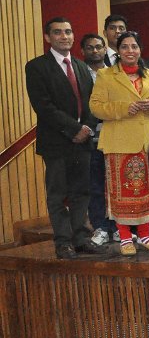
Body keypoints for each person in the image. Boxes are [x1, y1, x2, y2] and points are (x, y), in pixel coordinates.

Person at [25, 18, 103, 259]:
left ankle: (81, 238)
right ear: (48, 38)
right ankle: (63, 242)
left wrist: (87, 128)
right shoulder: (36, 67)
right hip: (56, 142)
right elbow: (44, 106)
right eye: (58, 32)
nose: (64, 36)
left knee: (82, 192)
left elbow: (93, 103)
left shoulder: (80, 66)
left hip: (83, 141)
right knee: (58, 195)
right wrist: (74, 129)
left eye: (68, 32)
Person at [90, 31, 149, 256]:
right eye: (124, 47)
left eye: (134, 46)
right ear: (118, 50)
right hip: (118, 143)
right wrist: (124, 108)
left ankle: (145, 236)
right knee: (122, 194)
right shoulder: (105, 75)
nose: (130, 51)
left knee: (148, 193)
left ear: (140, 49)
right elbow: (95, 107)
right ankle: (125, 238)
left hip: (147, 144)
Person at [81, 33, 118, 245]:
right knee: (95, 186)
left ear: (105, 50)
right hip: (90, 137)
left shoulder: (115, 73)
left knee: (115, 186)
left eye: (98, 47)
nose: (95, 51)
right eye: (90, 47)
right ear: (83, 51)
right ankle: (100, 227)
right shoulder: (79, 73)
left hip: (114, 136)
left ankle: (117, 227)